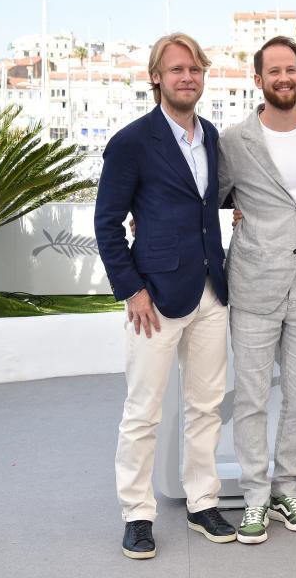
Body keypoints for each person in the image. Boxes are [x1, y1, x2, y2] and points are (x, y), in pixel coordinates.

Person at [94, 32, 236, 559]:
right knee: (143, 412)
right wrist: (130, 288)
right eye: (176, 70)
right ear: (156, 77)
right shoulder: (132, 141)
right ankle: (137, 513)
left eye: (195, 69)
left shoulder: (212, 136)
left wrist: (238, 206)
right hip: (153, 297)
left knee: (205, 406)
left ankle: (202, 502)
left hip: (210, 293)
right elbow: (107, 223)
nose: (187, 78)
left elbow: (208, 201)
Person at [217, 36, 296, 544]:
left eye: (292, 69)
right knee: (250, 399)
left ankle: (289, 488)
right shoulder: (233, 140)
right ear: (258, 78)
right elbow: (207, 195)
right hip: (253, 281)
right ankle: (254, 498)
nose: (284, 78)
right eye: (274, 71)